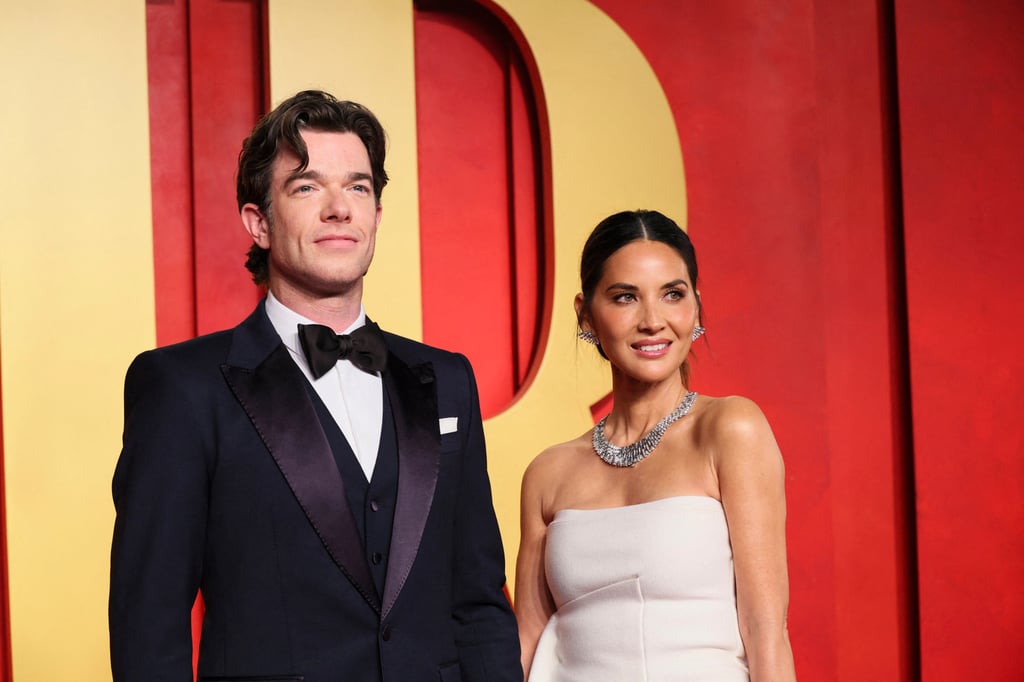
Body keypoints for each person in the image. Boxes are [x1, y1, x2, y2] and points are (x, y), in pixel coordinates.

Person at [109, 90, 521, 682]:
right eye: (307, 187)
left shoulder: (447, 379)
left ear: (377, 214)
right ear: (259, 223)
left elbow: (478, 602)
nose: (339, 209)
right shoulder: (182, 387)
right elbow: (149, 625)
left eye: (358, 187)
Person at [514, 210, 795, 681]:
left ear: (696, 307)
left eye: (672, 294)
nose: (652, 321)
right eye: (625, 297)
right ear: (585, 315)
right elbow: (526, 642)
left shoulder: (729, 430)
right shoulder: (548, 473)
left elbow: (766, 632)